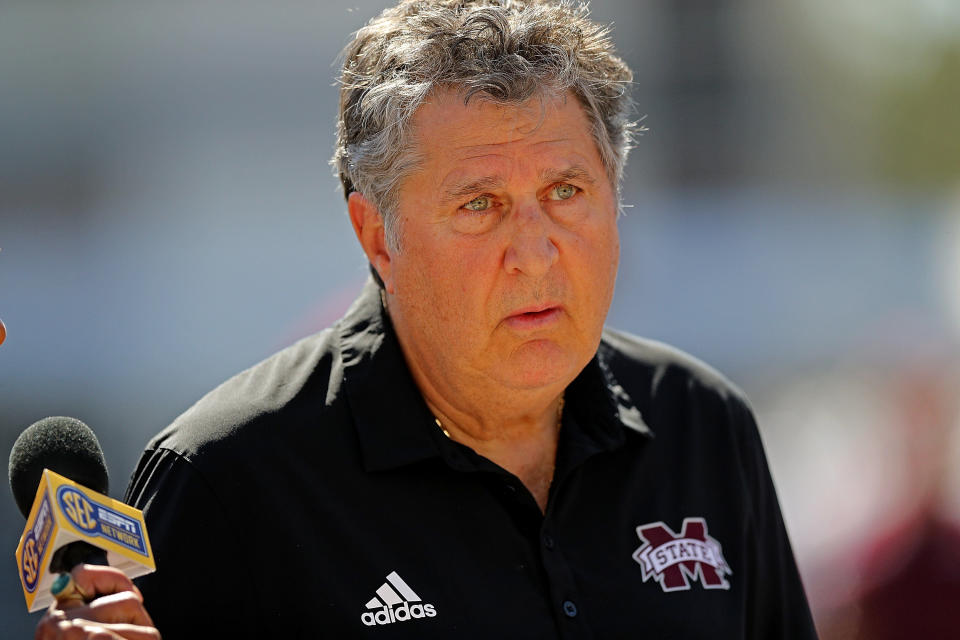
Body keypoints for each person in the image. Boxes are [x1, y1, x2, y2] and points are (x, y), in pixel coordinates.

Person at [35, 0, 818, 637]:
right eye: (481, 206)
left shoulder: (704, 424)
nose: (537, 254)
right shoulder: (227, 478)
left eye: (566, 193)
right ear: (377, 235)